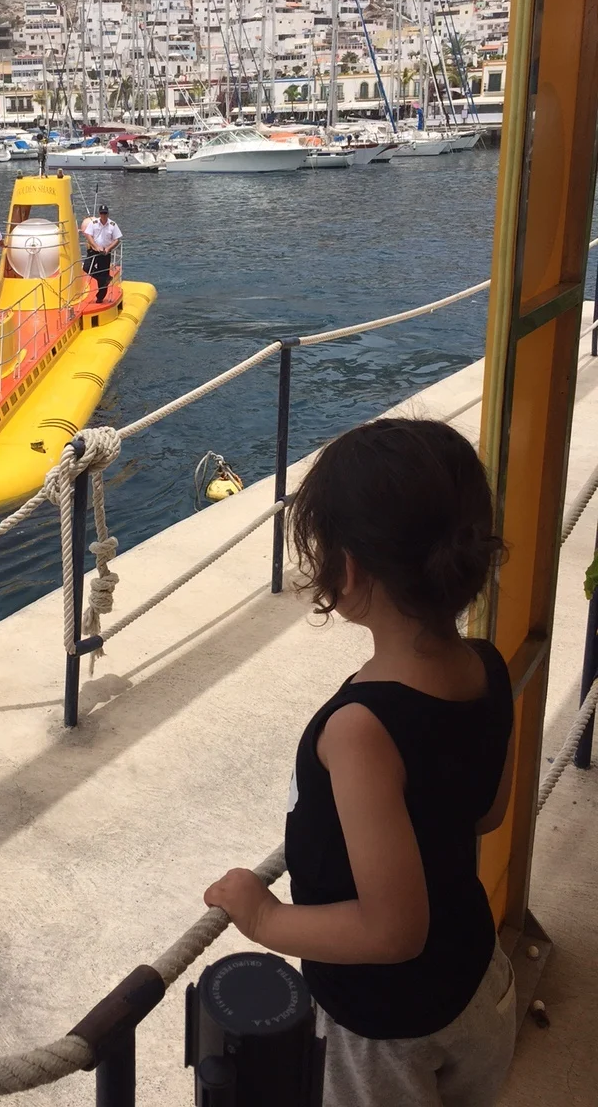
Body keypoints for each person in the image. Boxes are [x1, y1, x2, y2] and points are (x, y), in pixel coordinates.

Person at [204, 419, 516, 1107]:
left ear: (345, 570)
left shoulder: (360, 729)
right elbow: (489, 811)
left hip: (388, 1033)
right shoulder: (489, 667)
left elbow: (392, 930)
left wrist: (264, 919)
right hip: (478, 982)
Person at [84, 204, 122, 304]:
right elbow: (88, 236)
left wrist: (108, 248)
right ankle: (104, 279)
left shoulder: (112, 225)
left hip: (105, 252)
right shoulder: (94, 223)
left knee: (104, 272)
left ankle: (100, 298)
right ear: (99, 214)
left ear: (108, 214)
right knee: (87, 267)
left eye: (105, 213)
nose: (103, 215)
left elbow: (117, 239)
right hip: (94, 250)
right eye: (102, 213)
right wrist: (96, 247)